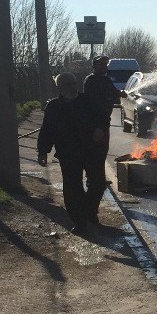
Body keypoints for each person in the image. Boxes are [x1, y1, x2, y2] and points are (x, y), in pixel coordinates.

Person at [37, 73, 96, 233]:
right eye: (68, 85)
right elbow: (46, 131)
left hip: (91, 151)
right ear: (59, 88)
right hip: (68, 153)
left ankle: (90, 213)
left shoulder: (87, 102)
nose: (72, 87)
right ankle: (79, 221)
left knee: (97, 183)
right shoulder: (54, 107)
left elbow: (102, 118)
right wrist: (43, 151)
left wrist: (99, 130)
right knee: (72, 188)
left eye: (74, 83)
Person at [82, 55, 120, 224]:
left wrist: (120, 93)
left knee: (102, 152)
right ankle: (93, 179)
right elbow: (95, 101)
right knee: (94, 154)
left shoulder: (105, 80)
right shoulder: (91, 81)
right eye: (101, 64)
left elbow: (113, 93)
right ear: (94, 66)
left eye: (105, 64)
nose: (104, 67)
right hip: (94, 125)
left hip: (104, 123)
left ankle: (96, 177)